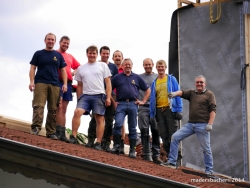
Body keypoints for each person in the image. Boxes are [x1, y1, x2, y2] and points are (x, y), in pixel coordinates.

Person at [162, 75, 216, 176]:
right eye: (197, 82)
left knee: (206, 148)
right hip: (191, 124)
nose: (199, 84)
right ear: (195, 83)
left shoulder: (209, 95)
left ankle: (209, 170)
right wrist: (174, 94)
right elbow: (182, 92)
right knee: (175, 137)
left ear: (205, 84)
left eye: (201, 82)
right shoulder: (192, 93)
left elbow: (213, 110)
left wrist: (210, 124)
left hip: (203, 125)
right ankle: (172, 162)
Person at [69, 45, 111, 150]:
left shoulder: (102, 66)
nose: (92, 55)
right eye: (90, 53)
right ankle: (73, 136)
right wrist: (79, 99)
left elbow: (108, 82)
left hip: (99, 94)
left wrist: (108, 97)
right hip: (86, 95)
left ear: (97, 55)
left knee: (99, 118)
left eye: (94, 53)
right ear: (87, 54)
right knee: (77, 112)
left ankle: (98, 142)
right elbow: (79, 85)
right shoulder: (81, 68)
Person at [29, 33, 67, 139]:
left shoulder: (58, 55)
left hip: (55, 84)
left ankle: (50, 132)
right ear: (45, 40)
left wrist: (64, 84)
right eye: (48, 39)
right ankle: (36, 127)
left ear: (55, 42)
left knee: (53, 108)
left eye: (52, 40)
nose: (50, 41)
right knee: (38, 105)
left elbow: (63, 70)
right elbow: (32, 68)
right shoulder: (38, 53)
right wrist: (32, 81)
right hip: (40, 82)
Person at [110, 58, 150, 158]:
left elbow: (148, 89)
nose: (128, 66)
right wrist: (113, 101)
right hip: (121, 104)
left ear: (132, 66)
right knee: (118, 124)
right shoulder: (117, 77)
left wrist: (143, 101)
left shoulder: (136, 77)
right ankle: (117, 146)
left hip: (133, 103)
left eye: (129, 64)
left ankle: (132, 150)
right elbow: (108, 88)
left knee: (132, 127)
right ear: (122, 66)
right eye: (126, 64)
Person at [85, 46, 118, 150]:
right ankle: (91, 139)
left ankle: (106, 142)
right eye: (104, 53)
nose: (105, 55)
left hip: (110, 94)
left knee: (109, 119)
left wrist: (113, 97)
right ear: (100, 54)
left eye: (107, 54)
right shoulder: (96, 65)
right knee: (95, 117)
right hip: (97, 93)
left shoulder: (113, 67)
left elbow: (115, 82)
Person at [149, 60, 182, 158]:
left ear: (165, 67)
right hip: (159, 111)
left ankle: (176, 157)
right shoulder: (154, 82)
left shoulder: (171, 79)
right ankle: (170, 157)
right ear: (156, 68)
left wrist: (179, 109)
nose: (160, 68)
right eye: (158, 67)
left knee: (173, 134)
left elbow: (178, 94)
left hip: (170, 110)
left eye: (162, 66)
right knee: (163, 135)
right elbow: (152, 100)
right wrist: (152, 114)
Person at [55, 36, 80, 142]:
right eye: (64, 43)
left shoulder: (70, 56)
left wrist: (74, 72)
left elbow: (79, 66)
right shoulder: (55, 53)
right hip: (58, 82)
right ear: (60, 42)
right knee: (58, 107)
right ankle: (57, 131)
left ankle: (62, 133)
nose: (66, 45)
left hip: (68, 84)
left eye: (67, 43)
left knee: (64, 109)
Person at [138, 58, 163, 164]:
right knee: (144, 129)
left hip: (155, 107)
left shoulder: (158, 77)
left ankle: (156, 154)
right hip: (143, 107)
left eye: (149, 64)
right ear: (143, 65)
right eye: (145, 64)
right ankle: (146, 152)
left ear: (153, 65)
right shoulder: (139, 77)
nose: (147, 66)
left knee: (156, 130)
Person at [112, 50, 126, 154]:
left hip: (121, 98)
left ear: (122, 58)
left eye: (119, 56)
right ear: (113, 58)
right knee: (107, 119)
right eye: (115, 56)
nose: (117, 58)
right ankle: (107, 142)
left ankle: (121, 144)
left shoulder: (125, 69)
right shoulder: (110, 68)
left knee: (121, 122)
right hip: (110, 96)